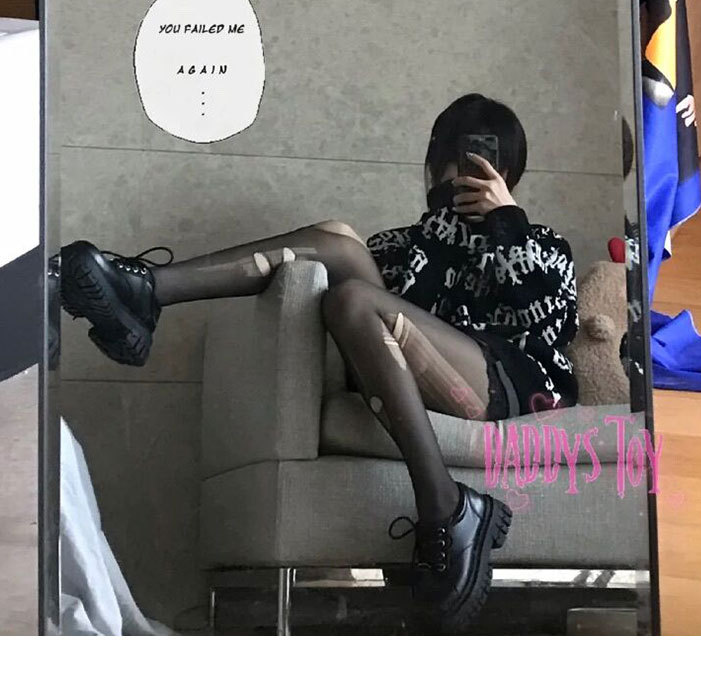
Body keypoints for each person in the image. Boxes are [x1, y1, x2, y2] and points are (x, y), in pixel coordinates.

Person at [59, 93, 578, 631]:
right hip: (407, 374)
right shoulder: (400, 246)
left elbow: (549, 326)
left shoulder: (541, 243)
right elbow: (381, 324)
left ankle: (444, 504)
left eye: (482, 157)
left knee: (353, 292)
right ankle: (148, 291)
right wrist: (438, 238)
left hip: (503, 386)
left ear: (508, 172)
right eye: (453, 156)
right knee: (341, 246)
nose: (462, 170)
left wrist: (505, 223)